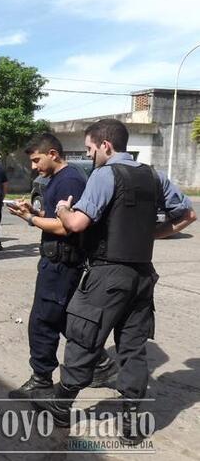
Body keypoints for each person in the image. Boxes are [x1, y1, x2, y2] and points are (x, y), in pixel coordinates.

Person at [35, 119, 196, 444]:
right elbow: (188, 214)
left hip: (107, 275)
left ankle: (62, 403)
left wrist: (64, 209)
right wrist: (152, 234)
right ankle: (133, 424)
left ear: (105, 146)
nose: (91, 155)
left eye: (91, 149)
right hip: (142, 275)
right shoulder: (153, 175)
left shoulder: (105, 175)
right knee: (133, 349)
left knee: (84, 337)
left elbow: (78, 223)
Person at [6, 133, 117, 399]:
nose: (34, 167)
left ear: (53, 154)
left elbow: (67, 226)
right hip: (57, 262)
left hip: (61, 264)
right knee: (65, 319)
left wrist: (30, 220)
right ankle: (101, 364)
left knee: (43, 320)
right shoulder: (59, 179)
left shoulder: (70, 179)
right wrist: (33, 213)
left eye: (36, 160)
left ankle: (41, 378)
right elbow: (55, 216)